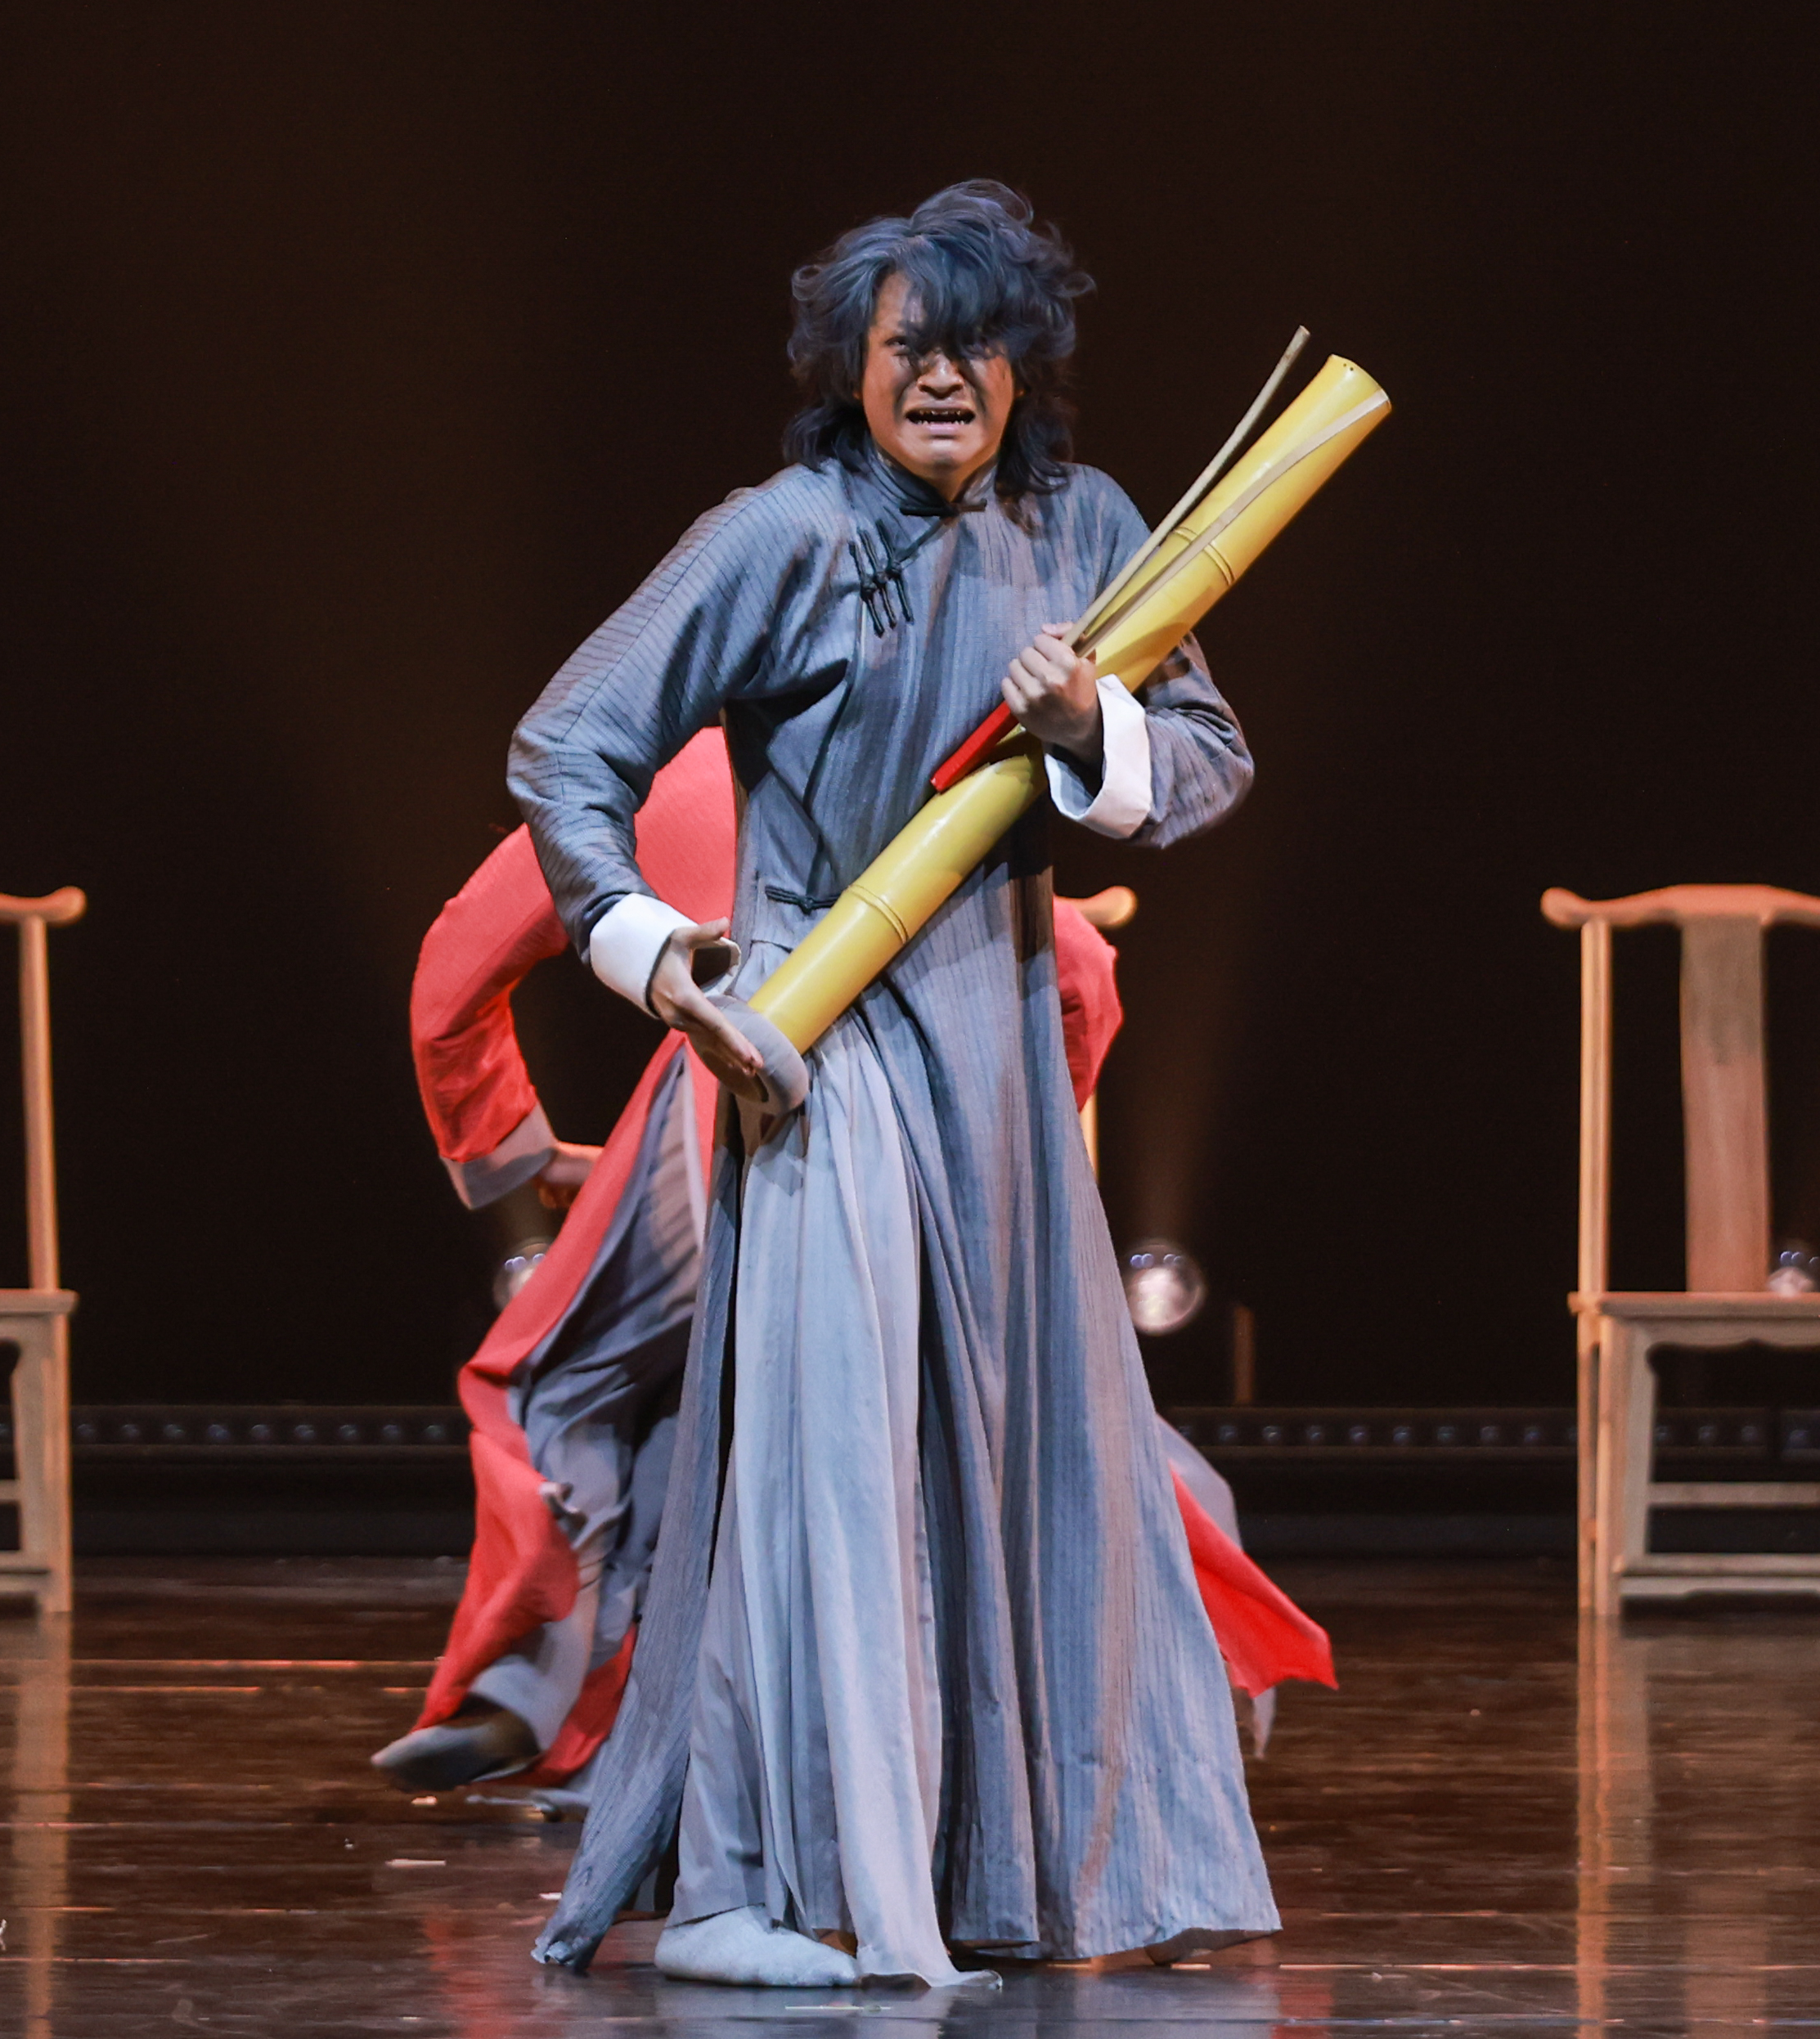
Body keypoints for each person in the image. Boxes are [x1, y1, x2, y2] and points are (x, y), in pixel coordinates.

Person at [513, 182, 1274, 1987]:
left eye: (978, 344)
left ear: (1026, 365)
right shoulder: (779, 534)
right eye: (907, 346)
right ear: (848, 367)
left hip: (994, 1062)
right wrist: (662, 958)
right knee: (830, 1462)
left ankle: (985, 1874)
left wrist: (1091, 728)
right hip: (819, 1048)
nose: (944, 376)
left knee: (1017, 1461)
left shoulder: (1086, 528)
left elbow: (1211, 754)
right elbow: (569, 743)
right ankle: (758, 1885)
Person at [377, 727, 1328, 1799]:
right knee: (999, 1402)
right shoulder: (913, 766)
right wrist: (1018, 1142)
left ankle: (528, 1686)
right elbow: (1081, 972)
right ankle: (1138, 1686)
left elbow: (457, 968)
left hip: (732, 1088)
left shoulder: (637, 777)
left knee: (562, 1385)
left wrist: (511, 1155)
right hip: (919, 1130)